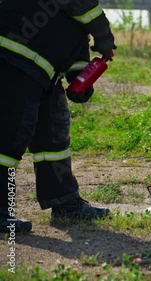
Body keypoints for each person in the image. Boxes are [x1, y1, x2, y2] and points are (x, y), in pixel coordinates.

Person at [0, 0, 117, 233]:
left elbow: (73, 39)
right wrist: (103, 33)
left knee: (54, 134)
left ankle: (64, 201)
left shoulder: (77, 20)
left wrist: (80, 79)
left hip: (42, 72)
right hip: (12, 58)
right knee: (9, 138)